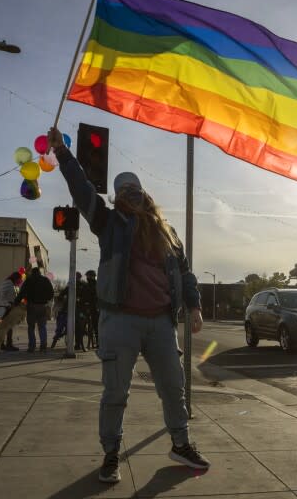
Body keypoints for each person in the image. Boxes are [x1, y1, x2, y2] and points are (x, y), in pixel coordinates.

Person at [48, 126, 210, 484]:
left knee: (173, 387)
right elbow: (83, 191)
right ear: (117, 196)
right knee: (116, 393)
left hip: (161, 324)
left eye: (134, 189)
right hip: (120, 321)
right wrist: (62, 153)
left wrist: (194, 306)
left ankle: (180, 444)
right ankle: (110, 454)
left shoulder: (167, 232)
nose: (129, 195)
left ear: (145, 194)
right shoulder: (109, 223)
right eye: (123, 190)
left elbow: (184, 273)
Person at [19, 268, 55, 352]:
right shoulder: (45, 280)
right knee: (42, 326)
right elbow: (51, 293)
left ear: (32, 272)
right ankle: (43, 346)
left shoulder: (29, 280)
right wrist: (46, 300)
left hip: (31, 305)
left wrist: (19, 301)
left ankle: (32, 346)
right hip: (42, 306)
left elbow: (22, 292)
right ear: (39, 272)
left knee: (31, 327)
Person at [0, 271, 23, 351]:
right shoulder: (10, 285)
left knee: (0, 327)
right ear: (16, 279)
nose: (19, 282)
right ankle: (8, 344)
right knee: (8, 326)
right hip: (5, 308)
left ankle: (0, 345)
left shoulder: (5, 283)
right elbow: (12, 298)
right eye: (19, 280)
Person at [83, 270, 99, 348]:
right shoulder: (98, 284)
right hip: (94, 307)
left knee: (95, 324)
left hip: (92, 307)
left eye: (88, 276)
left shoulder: (90, 285)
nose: (87, 278)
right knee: (96, 325)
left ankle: (97, 340)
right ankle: (97, 341)